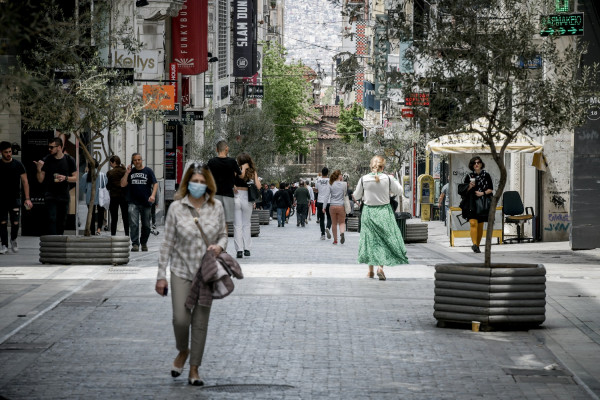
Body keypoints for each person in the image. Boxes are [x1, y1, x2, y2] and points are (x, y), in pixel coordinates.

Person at [155, 163, 227, 387]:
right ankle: (182, 350)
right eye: (194, 181)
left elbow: (224, 234)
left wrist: (219, 247)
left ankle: (194, 368)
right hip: (180, 270)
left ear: (208, 184)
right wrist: (161, 275)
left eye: (202, 182)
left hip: (205, 273)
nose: (198, 185)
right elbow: (167, 242)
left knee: (200, 322)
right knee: (180, 319)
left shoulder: (216, 206)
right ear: (187, 183)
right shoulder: (176, 208)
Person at [353, 155, 408, 280]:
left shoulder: (363, 179)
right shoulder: (388, 178)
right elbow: (399, 191)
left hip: (368, 212)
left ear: (371, 165)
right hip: (384, 211)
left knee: (370, 240)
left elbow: (356, 195)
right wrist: (393, 179)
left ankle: (370, 271)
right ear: (383, 167)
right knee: (383, 240)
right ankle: (380, 268)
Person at [34, 137, 78, 235]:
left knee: (61, 221)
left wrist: (65, 178)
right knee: (51, 218)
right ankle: (52, 240)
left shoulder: (69, 159)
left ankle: (58, 240)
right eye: (49, 147)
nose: (49, 149)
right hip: (50, 194)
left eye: (51, 147)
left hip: (64, 195)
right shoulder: (47, 159)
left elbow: (75, 178)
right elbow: (40, 180)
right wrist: (38, 169)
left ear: (59, 147)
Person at [120, 153, 158, 252]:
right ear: (132, 162)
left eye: (139, 160)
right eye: (135, 160)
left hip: (146, 202)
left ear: (142, 160)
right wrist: (127, 173)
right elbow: (123, 184)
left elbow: (155, 183)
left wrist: (153, 195)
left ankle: (144, 242)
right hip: (133, 202)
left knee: (146, 225)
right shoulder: (130, 172)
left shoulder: (148, 171)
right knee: (133, 224)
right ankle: (135, 244)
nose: (137, 162)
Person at [0, 141, 33, 254]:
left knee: (15, 223)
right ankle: (4, 244)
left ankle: (13, 239)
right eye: (6, 152)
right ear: (1, 153)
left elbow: (25, 181)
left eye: (10, 151)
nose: (9, 154)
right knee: (2, 222)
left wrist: (27, 198)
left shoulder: (18, 164)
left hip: (15, 198)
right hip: (1, 199)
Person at [459, 156, 494, 253]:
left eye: (478, 162)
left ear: (481, 164)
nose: (476, 164)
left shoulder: (486, 175)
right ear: (472, 165)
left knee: (480, 225)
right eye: (474, 163)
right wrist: (470, 186)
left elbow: (491, 189)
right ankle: (474, 244)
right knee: (473, 223)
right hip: (471, 203)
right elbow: (463, 191)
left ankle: (477, 246)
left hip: (483, 203)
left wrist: (482, 193)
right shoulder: (469, 176)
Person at [233, 153, 261, 259]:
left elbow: (234, 180)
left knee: (238, 225)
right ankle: (247, 249)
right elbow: (258, 186)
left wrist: (243, 169)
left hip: (237, 196)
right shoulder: (252, 171)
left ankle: (239, 250)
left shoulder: (236, 170)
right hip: (246, 198)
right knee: (246, 224)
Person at [207, 140, 242, 224]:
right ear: (226, 149)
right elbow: (240, 174)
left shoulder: (211, 162)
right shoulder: (232, 161)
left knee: (215, 220)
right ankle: (224, 237)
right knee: (225, 221)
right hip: (228, 194)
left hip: (215, 194)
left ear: (216, 149)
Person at [81, 160, 107, 235]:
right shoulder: (102, 175)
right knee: (101, 213)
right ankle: (99, 229)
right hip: (100, 197)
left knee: (91, 214)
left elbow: (83, 188)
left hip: (89, 198)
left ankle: (92, 230)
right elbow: (105, 184)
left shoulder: (85, 176)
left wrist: (88, 191)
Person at [322, 169, 347, 245]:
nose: (342, 176)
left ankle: (335, 240)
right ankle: (342, 233)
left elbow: (326, 196)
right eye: (341, 174)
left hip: (332, 206)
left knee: (334, 223)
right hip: (341, 206)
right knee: (342, 222)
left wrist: (324, 207)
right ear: (339, 176)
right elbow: (346, 196)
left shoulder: (330, 184)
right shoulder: (344, 184)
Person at [106, 155, 129, 236]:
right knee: (125, 216)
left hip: (114, 196)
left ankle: (113, 234)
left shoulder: (110, 173)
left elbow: (108, 186)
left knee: (114, 217)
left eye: (111, 162)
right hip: (124, 196)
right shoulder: (124, 171)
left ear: (114, 162)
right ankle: (127, 233)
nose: (110, 164)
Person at [315, 167, 332, 240]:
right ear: (327, 173)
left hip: (320, 201)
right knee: (329, 217)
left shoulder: (318, 180)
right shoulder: (330, 181)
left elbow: (316, 190)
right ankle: (328, 227)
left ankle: (322, 234)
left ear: (321, 173)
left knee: (321, 218)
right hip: (328, 201)